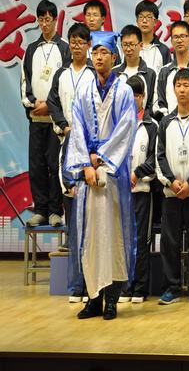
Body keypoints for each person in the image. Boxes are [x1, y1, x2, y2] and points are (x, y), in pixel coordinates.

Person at [64, 30, 137, 320]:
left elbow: (126, 129)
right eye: (95, 52)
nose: (98, 57)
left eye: (104, 52)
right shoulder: (84, 91)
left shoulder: (124, 91)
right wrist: (85, 165)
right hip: (88, 175)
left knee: (113, 236)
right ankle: (93, 297)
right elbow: (77, 130)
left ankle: (112, 299)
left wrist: (101, 159)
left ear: (114, 57)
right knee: (90, 237)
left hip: (112, 175)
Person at [47, 23, 95, 302]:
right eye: (73, 42)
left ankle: (92, 285)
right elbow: (53, 103)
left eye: (81, 42)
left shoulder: (94, 74)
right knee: (75, 231)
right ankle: (76, 286)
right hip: (67, 141)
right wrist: (65, 126)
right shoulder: (62, 74)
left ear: (89, 45)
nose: (77, 46)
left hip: (91, 145)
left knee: (94, 232)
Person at [156, 68, 189, 305]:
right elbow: (159, 156)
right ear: (173, 89)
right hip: (171, 192)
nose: (182, 90)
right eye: (178, 85)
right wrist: (171, 181)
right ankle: (172, 287)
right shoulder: (165, 123)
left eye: (186, 85)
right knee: (170, 242)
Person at [21, 0, 71, 227]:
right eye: (41, 19)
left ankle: (55, 211)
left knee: (54, 165)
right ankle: (40, 209)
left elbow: (67, 83)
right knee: (37, 166)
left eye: (48, 19)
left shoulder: (65, 48)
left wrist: (51, 107)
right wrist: (33, 103)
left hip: (55, 121)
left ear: (55, 20)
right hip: (36, 119)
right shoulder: (31, 49)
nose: (44, 24)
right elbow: (25, 82)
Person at [117, 75, 158, 304]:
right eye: (128, 95)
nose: (133, 99)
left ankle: (140, 288)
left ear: (142, 97)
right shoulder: (118, 124)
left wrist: (137, 173)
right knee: (123, 240)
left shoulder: (152, 126)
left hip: (142, 190)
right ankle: (125, 286)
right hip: (121, 191)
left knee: (141, 240)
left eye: (136, 95)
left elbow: (154, 157)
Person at [154, 21, 189, 120]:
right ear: (171, 40)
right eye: (176, 37)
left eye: (183, 36)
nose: (179, 40)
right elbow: (159, 103)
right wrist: (170, 122)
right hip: (169, 125)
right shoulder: (164, 72)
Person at [113, 25, 156, 115]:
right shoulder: (114, 73)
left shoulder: (150, 73)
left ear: (141, 45)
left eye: (132, 44)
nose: (128, 49)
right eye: (125, 45)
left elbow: (152, 104)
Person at [135, 0, 171, 75]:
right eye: (141, 17)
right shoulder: (131, 48)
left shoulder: (163, 50)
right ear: (137, 21)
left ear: (155, 22)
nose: (144, 21)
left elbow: (167, 76)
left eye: (149, 17)